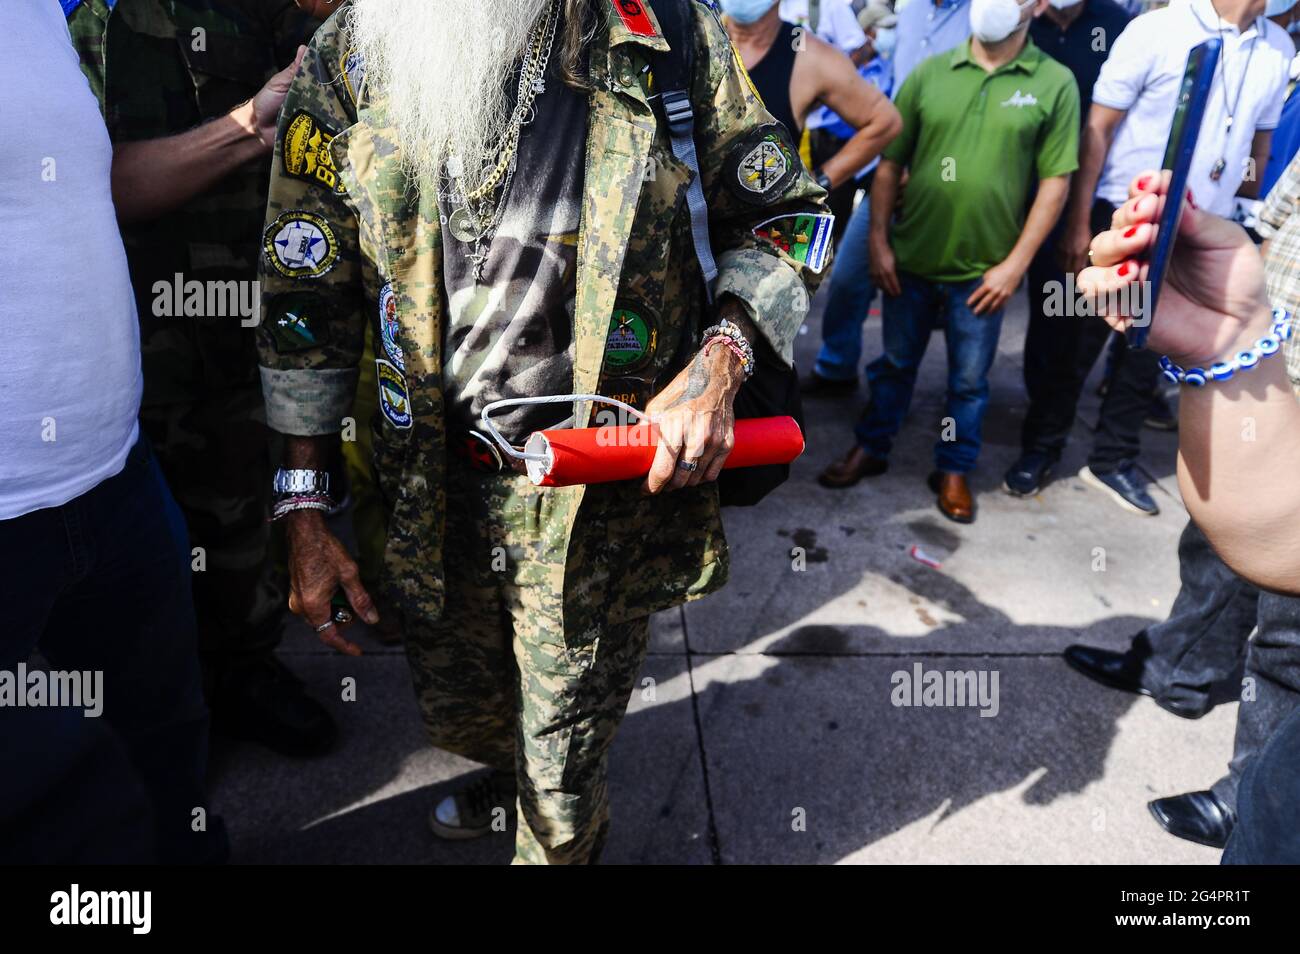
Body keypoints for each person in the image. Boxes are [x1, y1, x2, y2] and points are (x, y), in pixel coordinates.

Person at [257, 0, 829, 864]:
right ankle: (506, 772)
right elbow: (304, 288)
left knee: (561, 789)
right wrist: (302, 508)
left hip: (593, 496)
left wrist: (720, 365)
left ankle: (550, 805)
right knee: (473, 713)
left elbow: (789, 216)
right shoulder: (353, 50)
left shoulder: (665, 26)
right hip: (431, 495)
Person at [65, 0, 337, 757]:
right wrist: (253, 126)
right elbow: (103, 184)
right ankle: (169, 715)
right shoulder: (106, 24)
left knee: (241, 524)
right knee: (141, 561)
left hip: (254, 337)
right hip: (139, 351)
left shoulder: (285, 16)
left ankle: (246, 673)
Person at [0, 0, 223, 864]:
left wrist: (247, 126)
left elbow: (95, 187)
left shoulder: (40, 13)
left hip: (120, 480)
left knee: (166, 756)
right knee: (60, 823)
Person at [1068, 154, 1300, 849]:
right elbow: (1277, 541)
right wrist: (1225, 338)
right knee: (1215, 561)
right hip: (1267, 386)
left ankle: (1238, 785)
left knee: (1286, 643)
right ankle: (1179, 672)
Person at [819, 0, 1081, 525]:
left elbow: (1056, 183)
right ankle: (872, 446)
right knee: (894, 364)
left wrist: (1015, 267)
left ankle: (954, 467)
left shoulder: (1055, 83)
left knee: (969, 380)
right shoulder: (930, 74)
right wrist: (879, 243)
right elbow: (890, 165)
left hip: (985, 271)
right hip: (911, 258)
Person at [1050, 0, 1294, 516]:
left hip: (1207, 228)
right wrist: (1078, 221)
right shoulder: (1156, 30)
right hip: (1126, 217)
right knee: (1079, 337)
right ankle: (1042, 446)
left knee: (1150, 356)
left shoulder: (1277, 46)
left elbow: (1259, 141)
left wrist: (1244, 210)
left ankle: (1112, 459)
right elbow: (1098, 130)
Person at [1001, 0, 1132, 496]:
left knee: (1064, 323)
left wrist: (1079, 220)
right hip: (1013, 192)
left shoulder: (1118, 28)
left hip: (1081, 197)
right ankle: (1025, 407)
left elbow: (1103, 130)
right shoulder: (1019, 22)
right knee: (1034, 315)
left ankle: (1043, 441)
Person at [802, 0, 903, 395]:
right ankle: (835, 363)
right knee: (822, 253)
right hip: (834, 147)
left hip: (882, 157)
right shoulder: (825, 16)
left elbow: (887, 119)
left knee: (859, 263)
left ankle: (844, 366)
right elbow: (841, 66)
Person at [721, 0, 901, 211]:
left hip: (758, 230)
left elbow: (885, 120)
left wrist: (818, 182)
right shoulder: (694, 36)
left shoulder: (808, 56)